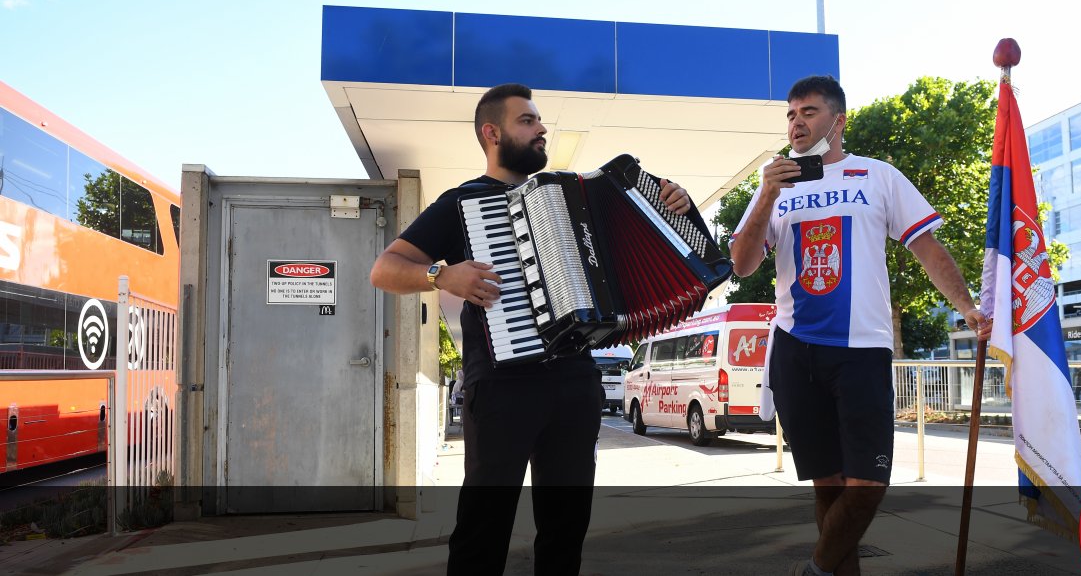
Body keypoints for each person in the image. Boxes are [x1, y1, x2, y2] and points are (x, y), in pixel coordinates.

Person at [369, 83, 693, 575]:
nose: (541, 129)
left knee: (565, 530)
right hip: (501, 387)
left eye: (540, 121)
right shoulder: (463, 203)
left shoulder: (575, 194)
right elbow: (384, 269)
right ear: (492, 132)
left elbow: (647, 254)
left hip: (572, 383)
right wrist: (441, 274)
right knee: (484, 528)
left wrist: (677, 208)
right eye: (527, 121)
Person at [728, 75, 991, 576]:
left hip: (862, 350)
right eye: (789, 114)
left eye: (807, 112)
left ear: (838, 120)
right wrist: (765, 194)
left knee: (868, 483)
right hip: (795, 350)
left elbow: (927, 247)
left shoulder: (877, 176)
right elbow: (741, 264)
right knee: (828, 485)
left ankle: (816, 569)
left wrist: (966, 304)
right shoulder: (775, 186)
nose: (796, 122)